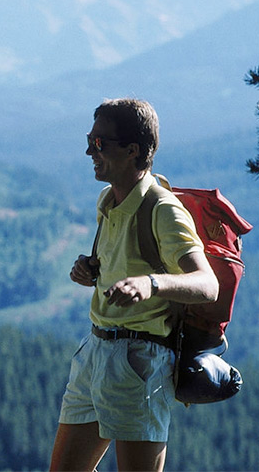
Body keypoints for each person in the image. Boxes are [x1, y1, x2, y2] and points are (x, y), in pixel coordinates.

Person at [49, 98, 219, 472]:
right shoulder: (109, 199)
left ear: (132, 151)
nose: (89, 150)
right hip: (95, 352)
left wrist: (151, 284)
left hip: (140, 364)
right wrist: (91, 270)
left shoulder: (163, 209)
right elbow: (122, 261)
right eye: (89, 140)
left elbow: (208, 284)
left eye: (99, 143)